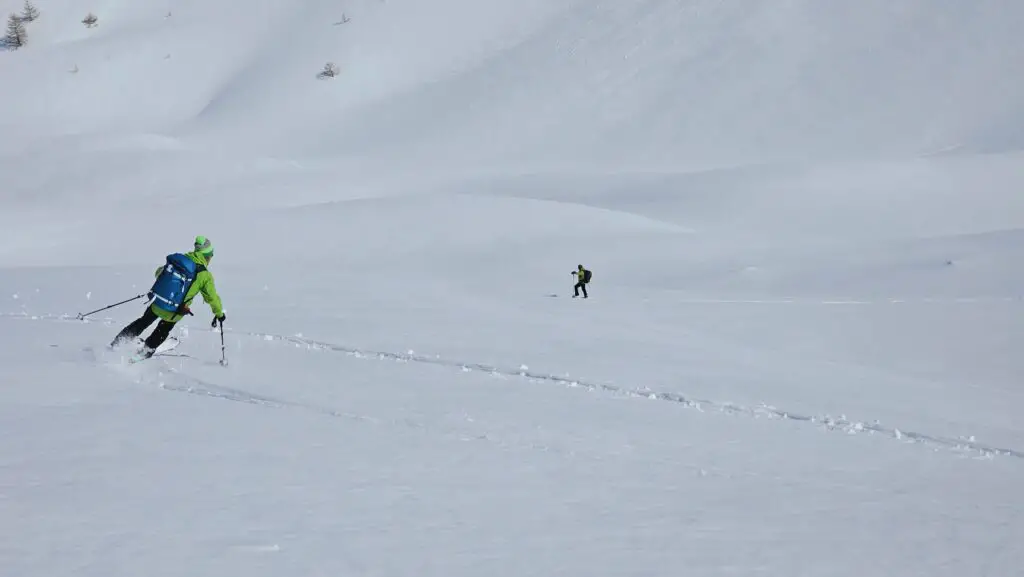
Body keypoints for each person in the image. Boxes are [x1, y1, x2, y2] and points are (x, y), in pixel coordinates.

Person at [110, 236, 226, 357]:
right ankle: (144, 352)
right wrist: (219, 314)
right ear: (207, 256)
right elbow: (212, 298)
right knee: (162, 330)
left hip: (158, 302)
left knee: (142, 322)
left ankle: (117, 343)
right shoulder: (205, 275)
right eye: (211, 255)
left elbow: (158, 272)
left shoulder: (181, 261)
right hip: (174, 311)